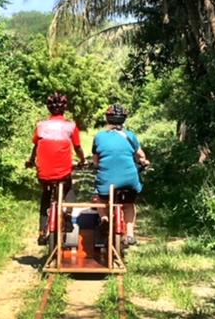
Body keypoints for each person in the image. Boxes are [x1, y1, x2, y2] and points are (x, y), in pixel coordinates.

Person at [26, 92, 86, 245]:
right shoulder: (71, 126)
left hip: (44, 172)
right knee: (69, 189)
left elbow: (36, 146)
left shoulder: (41, 126)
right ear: (65, 108)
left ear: (49, 109)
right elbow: (77, 147)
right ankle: (67, 216)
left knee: (46, 196)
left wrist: (31, 161)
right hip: (63, 172)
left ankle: (41, 231)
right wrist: (83, 160)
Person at [92, 103, 150, 246]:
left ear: (108, 119)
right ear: (124, 119)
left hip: (107, 182)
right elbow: (140, 156)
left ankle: (105, 219)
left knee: (99, 198)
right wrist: (144, 162)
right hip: (129, 180)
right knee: (129, 204)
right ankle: (130, 235)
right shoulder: (130, 136)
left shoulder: (99, 137)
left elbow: (95, 162)